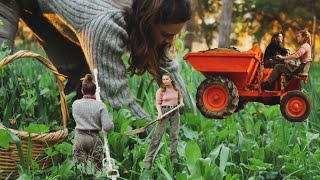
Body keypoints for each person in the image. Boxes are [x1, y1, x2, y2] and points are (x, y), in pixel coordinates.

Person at [0, 0, 193, 121]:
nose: (169, 41)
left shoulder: (146, 10)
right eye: (166, 35)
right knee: (1, 64)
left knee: (81, 79)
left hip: (49, 6)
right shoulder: (105, 25)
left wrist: (188, 119)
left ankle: (75, 136)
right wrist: (158, 135)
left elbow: (168, 68)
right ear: (147, 24)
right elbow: (117, 101)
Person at [72, 74, 114, 171]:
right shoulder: (101, 106)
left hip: (79, 137)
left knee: (79, 168)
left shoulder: (75, 104)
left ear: (82, 91)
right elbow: (107, 127)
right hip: (94, 139)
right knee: (97, 168)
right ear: (95, 92)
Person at [144, 73, 184, 170]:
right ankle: (148, 159)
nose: (165, 81)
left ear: (171, 80)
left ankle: (172, 156)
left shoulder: (176, 88)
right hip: (164, 111)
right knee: (157, 135)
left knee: (174, 135)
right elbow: (158, 103)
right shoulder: (160, 90)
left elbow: (180, 97)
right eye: (163, 79)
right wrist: (159, 113)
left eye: (167, 79)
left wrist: (181, 102)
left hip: (175, 111)